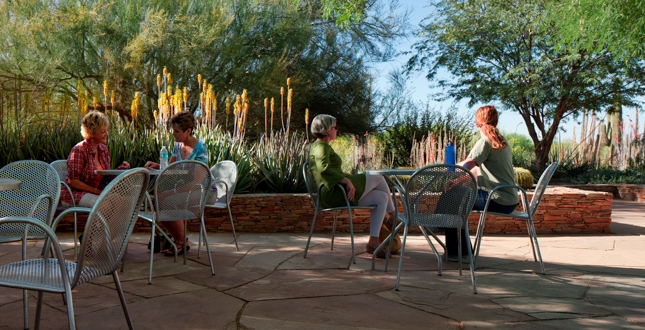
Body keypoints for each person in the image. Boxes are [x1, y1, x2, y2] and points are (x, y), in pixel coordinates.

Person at [308, 114, 396, 257]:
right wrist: (347, 181)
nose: (337, 130)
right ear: (327, 130)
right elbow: (324, 168)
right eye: (335, 127)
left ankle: (373, 242)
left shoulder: (322, 146)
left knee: (382, 197)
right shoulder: (320, 146)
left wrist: (346, 178)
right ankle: (393, 217)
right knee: (378, 177)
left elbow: (329, 169)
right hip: (333, 193)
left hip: (338, 191)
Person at [446, 105, 519, 260]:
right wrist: (457, 180)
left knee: (451, 201)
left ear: (476, 123)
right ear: (496, 122)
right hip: (509, 199)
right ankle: (458, 251)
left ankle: (458, 253)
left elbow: (467, 166)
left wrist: (448, 171)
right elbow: (475, 171)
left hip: (497, 198)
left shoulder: (485, 142)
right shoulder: (502, 142)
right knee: (455, 197)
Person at [145, 111, 208, 256]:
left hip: (200, 190)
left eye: (177, 131)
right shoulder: (177, 146)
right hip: (183, 189)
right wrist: (156, 165)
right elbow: (169, 169)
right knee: (156, 201)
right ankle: (179, 239)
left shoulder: (200, 149)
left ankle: (180, 242)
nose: (173, 134)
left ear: (188, 131)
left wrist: (171, 192)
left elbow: (196, 182)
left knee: (168, 201)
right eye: (173, 130)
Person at [61, 111, 130, 208]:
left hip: (95, 193)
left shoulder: (103, 149)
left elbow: (106, 176)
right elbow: (73, 182)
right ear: (91, 133)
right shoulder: (79, 150)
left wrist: (120, 170)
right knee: (104, 204)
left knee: (121, 200)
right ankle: (97, 224)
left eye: (106, 130)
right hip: (74, 195)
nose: (106, 134)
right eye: (102, 132)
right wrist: (97, 192)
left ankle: (113, 224)